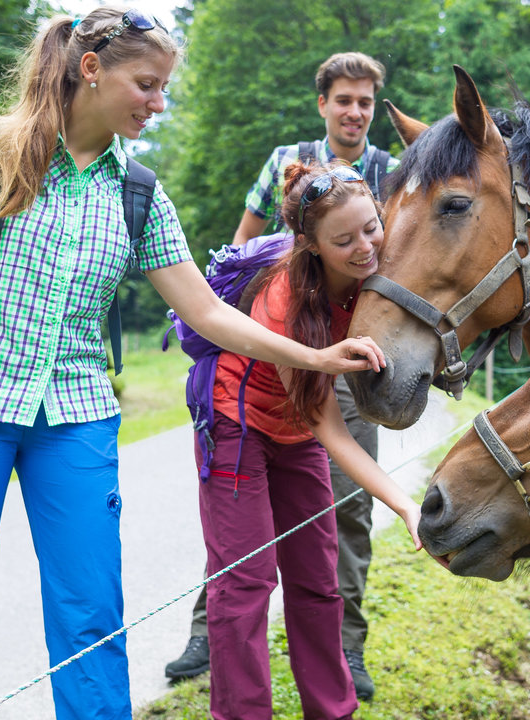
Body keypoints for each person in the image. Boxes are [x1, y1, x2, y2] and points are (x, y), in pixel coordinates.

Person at [0, 7, 385, 720]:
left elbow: (210, 314)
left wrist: (314, 355)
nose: (159, 103)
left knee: (92, 615)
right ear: (91, 70)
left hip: (77, 419)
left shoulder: (139, 192)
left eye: (164, 89)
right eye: (147, 85)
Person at [166, 52, 398, 700]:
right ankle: (210, 640)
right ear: (322, 102)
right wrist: (313, 353)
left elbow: (405, 265)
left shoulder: (389, 173)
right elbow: (242, 250)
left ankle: (341, 667)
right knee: (244, 563)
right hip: (263, 377)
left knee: (331, 535)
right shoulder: (285, 176)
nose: (355, 111)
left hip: (344, 352)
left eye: (366, 102)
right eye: (344, 99)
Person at [197, 159, 420, 720]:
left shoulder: (381, 273)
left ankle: (333, 711)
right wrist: (405, 503)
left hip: (294, 434)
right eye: (343, 240)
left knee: (319, 582)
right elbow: (330, 427)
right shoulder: (286, 298)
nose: (366, 246)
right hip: (238, 426)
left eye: (372, 227)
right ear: (312, 245)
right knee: (244, 584)